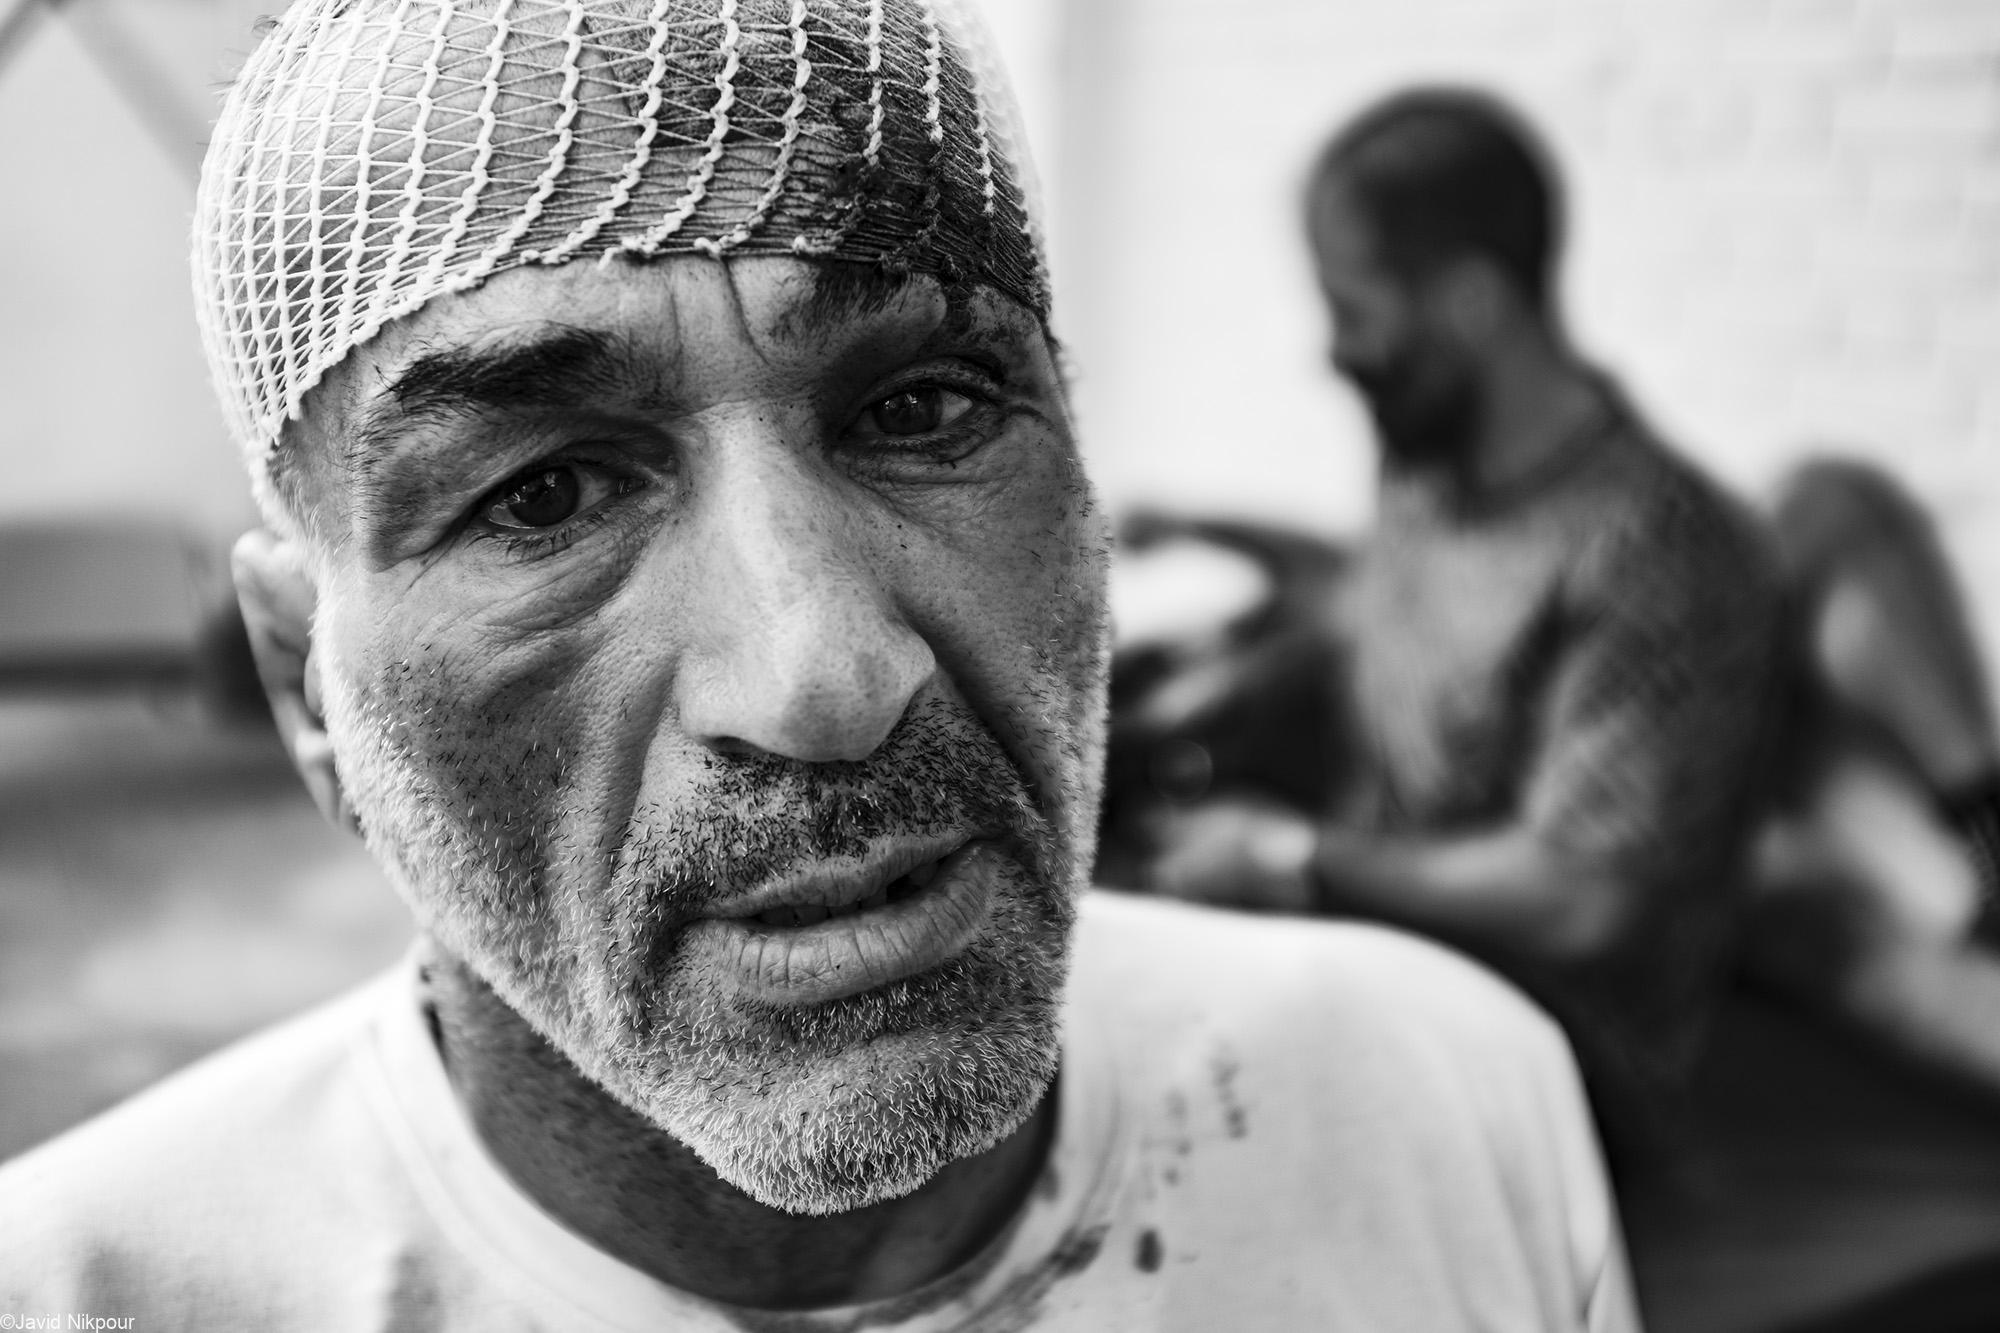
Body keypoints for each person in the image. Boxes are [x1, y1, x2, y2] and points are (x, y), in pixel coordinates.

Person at [0, 7, 1637, 1329]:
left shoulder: (1445, 1113)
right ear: (311, 690)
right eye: (545, 493)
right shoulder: (82, 1290)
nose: (826, 680)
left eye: (921, 409)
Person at [1149, 87, 1790, 1169]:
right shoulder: (1433, 457)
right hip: (1374, 952)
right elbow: (1383, 593)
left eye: (1352, 307)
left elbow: (1583, 898)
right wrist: (1205, 529)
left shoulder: (1656, 550)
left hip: (1554, 1058)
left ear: (1471, 302)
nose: (1333, 350)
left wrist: (1289, 854)